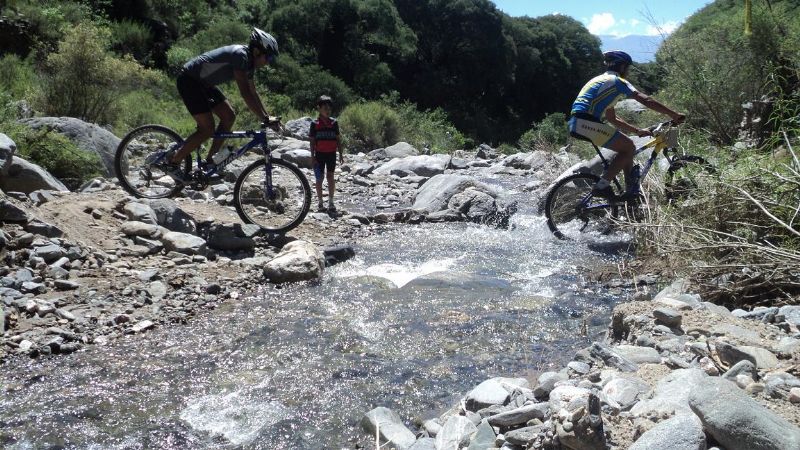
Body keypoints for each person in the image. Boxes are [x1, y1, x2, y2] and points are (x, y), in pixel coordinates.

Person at [157, 28, 280, 181]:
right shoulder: (240, 56)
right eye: (268, 58)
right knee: (207, 129)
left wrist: (268, 117)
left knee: (228, 116)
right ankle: (173, 163)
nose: (268, 63)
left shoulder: (249, 64)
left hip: (204, 84)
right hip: (189, 80)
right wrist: (264, 118)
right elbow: (245, 93)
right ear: (256, 51)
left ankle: (210, 162)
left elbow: (253, 92)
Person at [568, 50, 685, 199]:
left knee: (627, 150)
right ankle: (602, 186)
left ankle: (630, 195)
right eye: (628, 68)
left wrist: (637, 131)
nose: (628, 72)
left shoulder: (601, 82)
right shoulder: (617, 81)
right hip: (585, 121)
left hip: (578, 122)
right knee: (629, 147)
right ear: (622, 67)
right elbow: (646, 100)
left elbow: (612, 118)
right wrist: (673, 114)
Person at [309, 95, 343, 212]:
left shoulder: (334, 123)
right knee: (319, 178)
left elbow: (338, 139)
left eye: (329, 108)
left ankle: (331, 202)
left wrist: (341, 154)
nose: (327, 111)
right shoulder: (314, 124)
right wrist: (312, 157)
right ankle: (320, 202)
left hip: (331, 154)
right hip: (319, 154)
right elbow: (312, 141)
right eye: (325, 108)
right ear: (319, 108)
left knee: (330, 177)